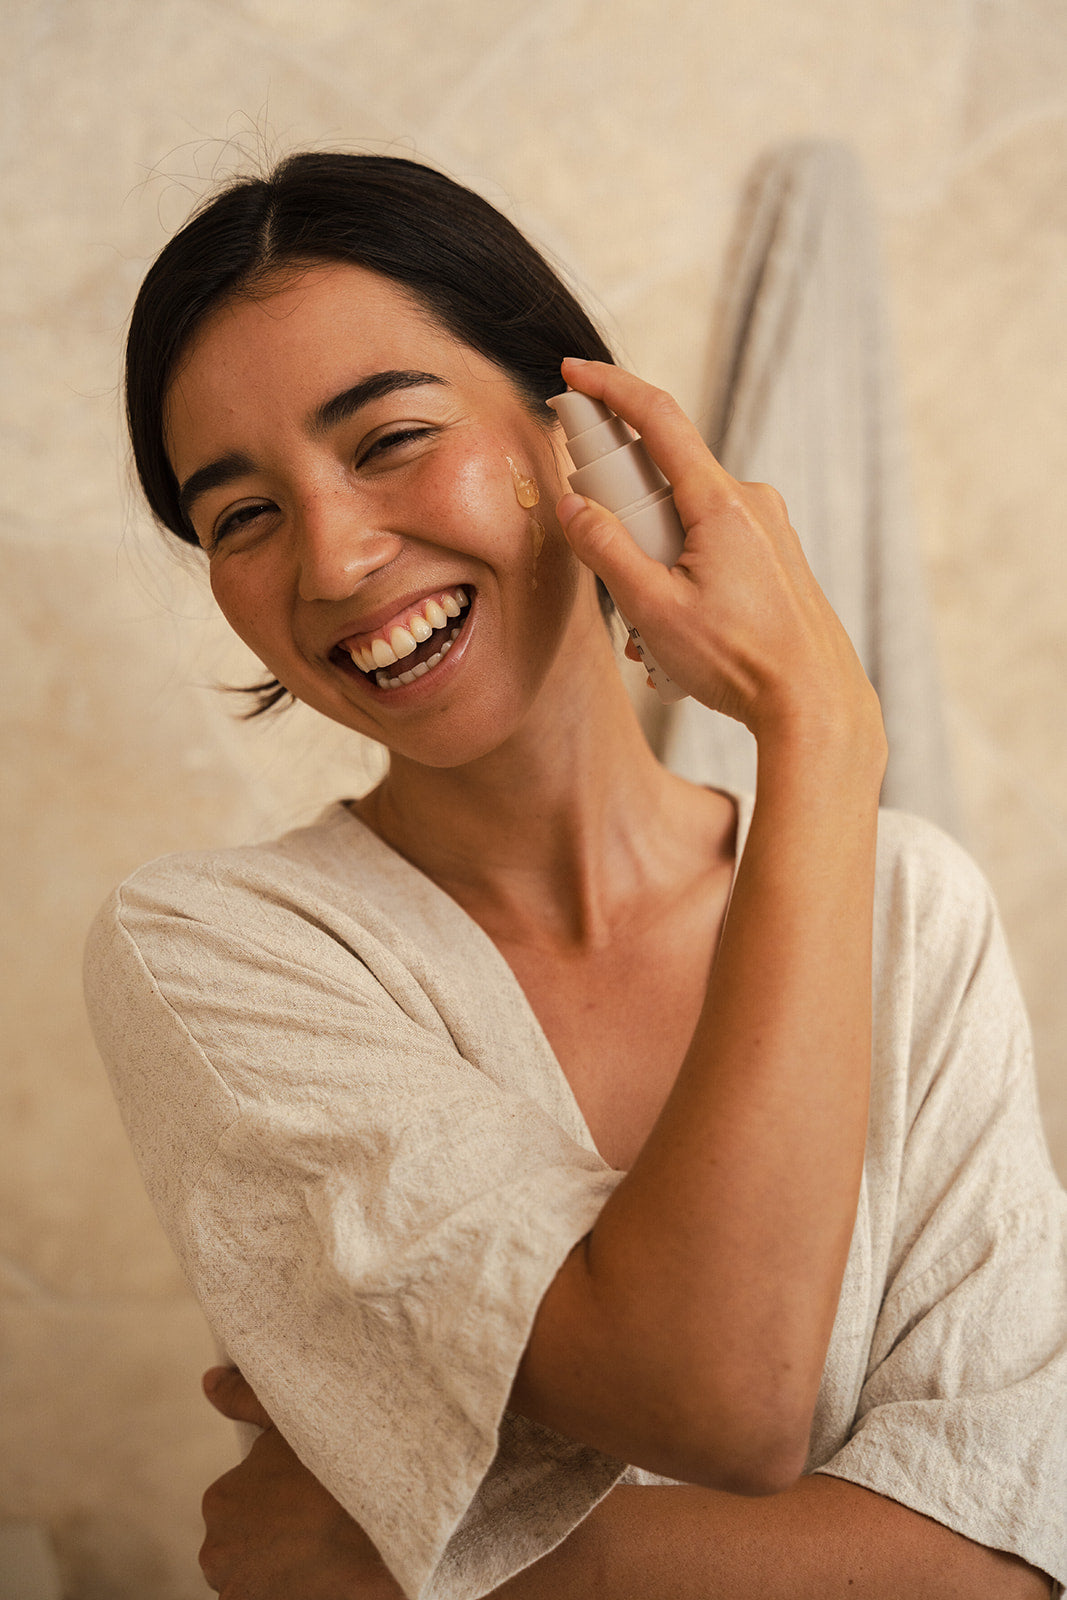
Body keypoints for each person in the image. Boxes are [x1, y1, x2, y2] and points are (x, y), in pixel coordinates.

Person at [84, 152, 1066, 1599]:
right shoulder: (215, 951)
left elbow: (1017, 1555)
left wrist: (440, 1573)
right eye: (243, 516)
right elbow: (717, 1396)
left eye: (389, 439)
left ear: (579, 437)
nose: (335, 561)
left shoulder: (910, 905)